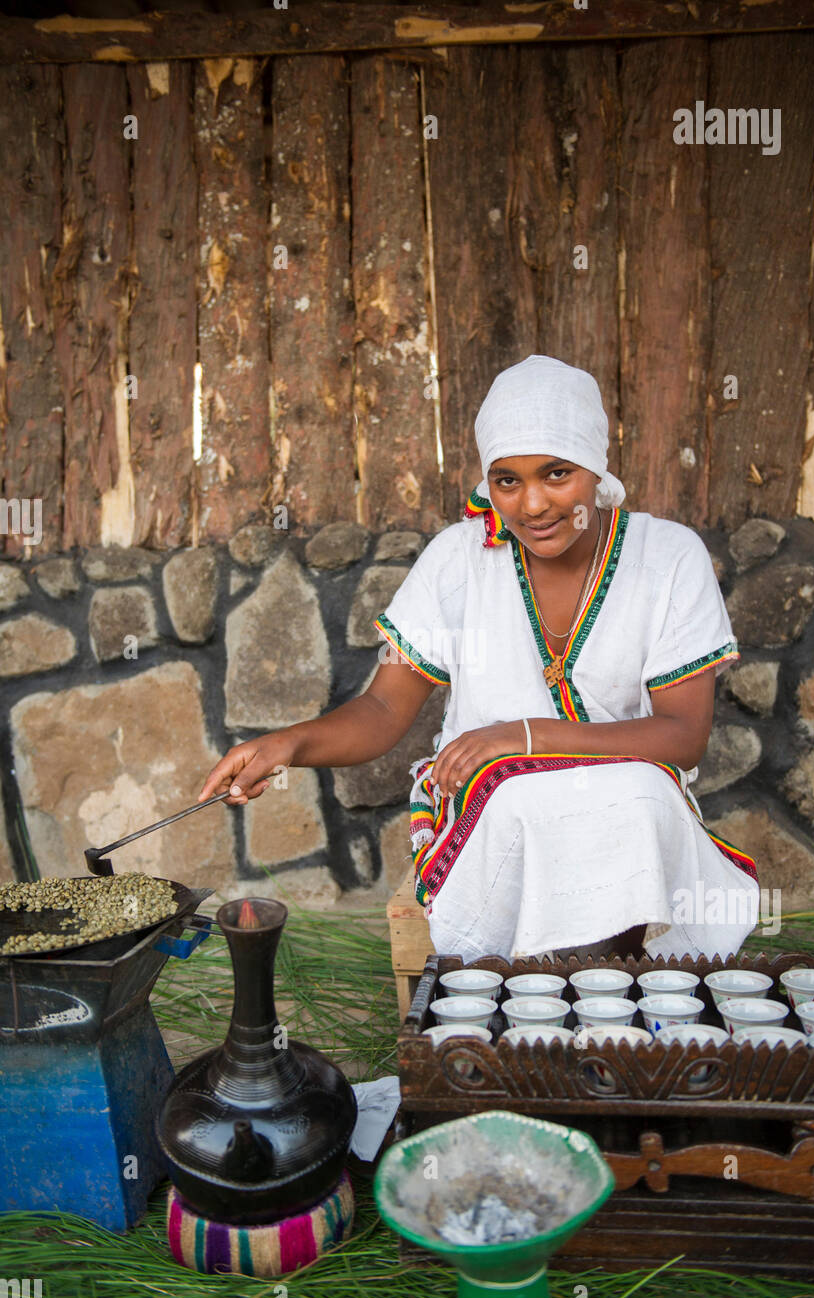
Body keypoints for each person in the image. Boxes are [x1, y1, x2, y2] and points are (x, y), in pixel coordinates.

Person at [197, 354, 759, 966]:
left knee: (638, 793)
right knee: (521, 801)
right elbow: (385, 707)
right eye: (507, 480)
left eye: (557, 473)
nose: (534, 504)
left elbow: (683, 737)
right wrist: (288, 745)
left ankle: (580, 1004)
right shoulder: (458, 560)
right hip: (488, 812)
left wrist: (520, 738)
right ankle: (552, 1007)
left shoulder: (669, 557)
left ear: (596, 467)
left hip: (628, 808)